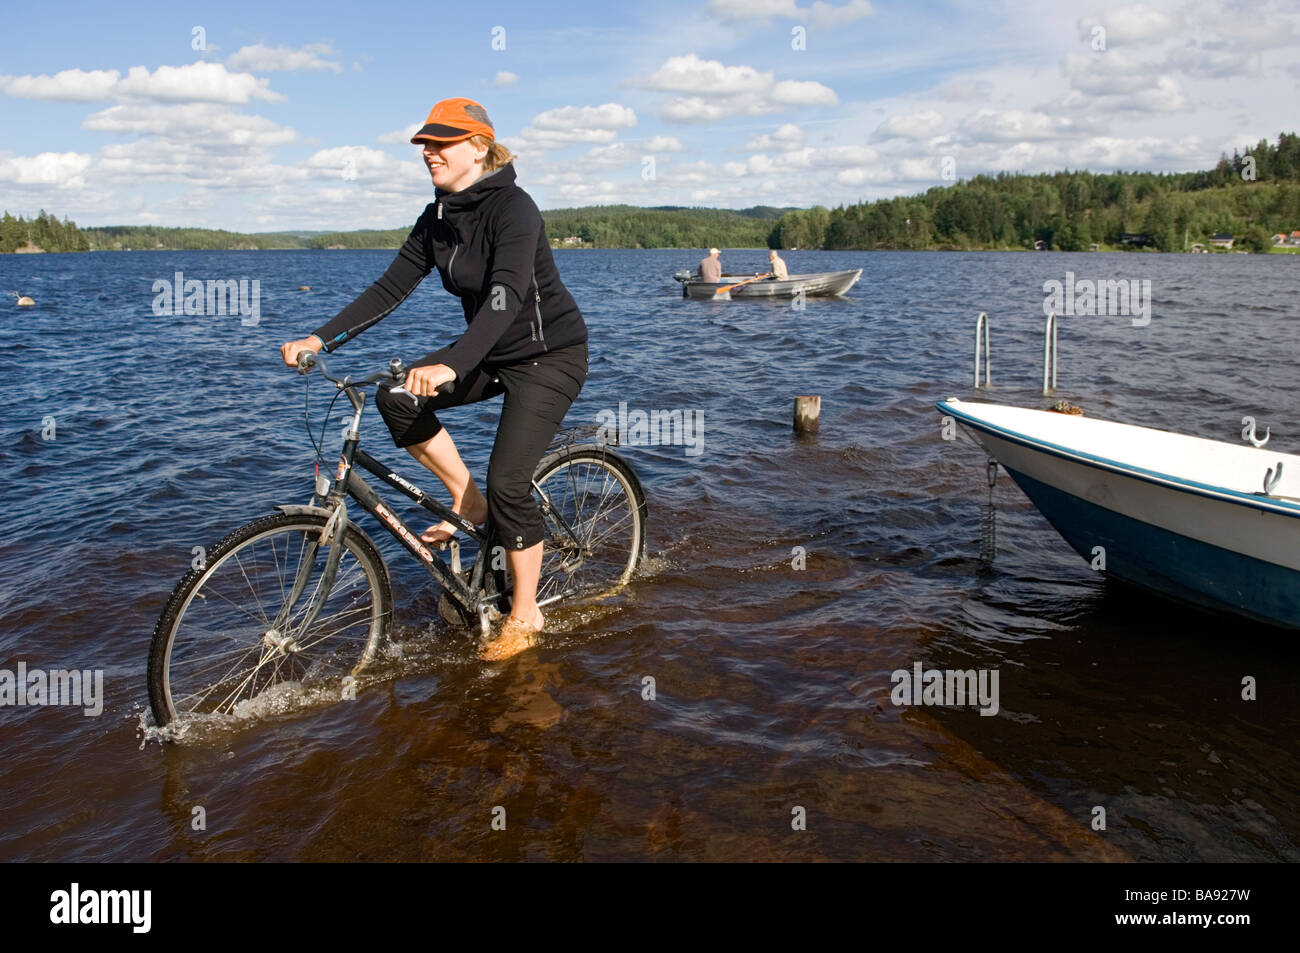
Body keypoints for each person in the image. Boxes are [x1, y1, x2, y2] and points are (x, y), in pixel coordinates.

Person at [279, 97, 589, 662]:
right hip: (490, 353)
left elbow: (505, 295)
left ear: (479, 146)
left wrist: (453, 362)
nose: (429, 152)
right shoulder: (438, 217)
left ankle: (526, 612)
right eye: (425, 143)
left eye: (441, 142)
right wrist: (320, 339)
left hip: (550, 356)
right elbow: (389, 288)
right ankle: (465, 501)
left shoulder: (514, 209)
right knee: (394, 395)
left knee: (510, 483)